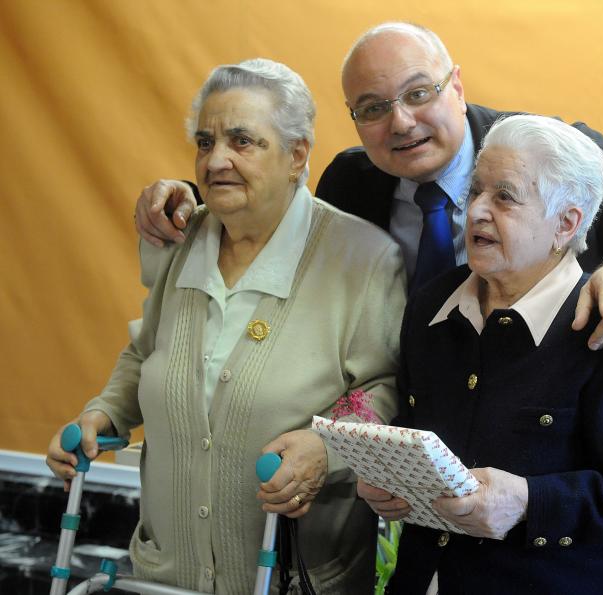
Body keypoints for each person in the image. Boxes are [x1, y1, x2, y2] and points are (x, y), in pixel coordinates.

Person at [132, 22, 603, 516]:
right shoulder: (352, 180)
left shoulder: (556, 155)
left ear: (457, 86)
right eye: (372, 108)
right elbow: (278, 212)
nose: (401, 122)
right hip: (421, 465)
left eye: (419, 94)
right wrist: (192, 196)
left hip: (574, 470)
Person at [46, 58, 406, 594]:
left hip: (295, 577)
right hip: (166, 576)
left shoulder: (364, 258)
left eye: (242, 141)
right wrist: (106, 411)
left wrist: (325, 449)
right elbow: (146, 352)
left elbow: (387, 389)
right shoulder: (180, 238)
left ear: (297, 154)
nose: (216, 161)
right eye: (205, 142)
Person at [361, 113, 603, 594]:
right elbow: (418, 434)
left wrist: (530, 502)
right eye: (476, 191)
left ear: (566, 224)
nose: (475, 212)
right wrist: (390, 478)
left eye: (504, 197)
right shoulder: (432, 302)